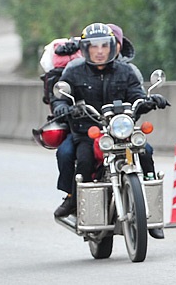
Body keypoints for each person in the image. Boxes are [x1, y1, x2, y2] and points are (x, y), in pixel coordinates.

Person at [50, 23, 169, 240]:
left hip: (121, 132)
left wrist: (148, 100)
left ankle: (151, 214)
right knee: (82, 160)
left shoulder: (126, 71)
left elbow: (136, 94)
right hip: (88, 131)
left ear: (113, 47)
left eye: (104, 46)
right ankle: (74, 200)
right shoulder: (74, 70)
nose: (99, 51)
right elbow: (60, 93)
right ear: (85, 49)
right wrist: (63, 106)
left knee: (146, 152)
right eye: (94, 47)